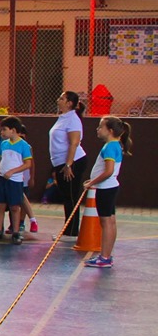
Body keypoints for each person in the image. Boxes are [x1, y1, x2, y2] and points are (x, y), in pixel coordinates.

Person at [83, 117, 132, 268]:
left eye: (100, 127)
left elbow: (109, 171)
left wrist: (92, 182)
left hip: (106, 189)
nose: (97, 129)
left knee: (106, 222)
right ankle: (106, 255)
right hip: (109, 188)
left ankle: (104, 257)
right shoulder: (114, 144)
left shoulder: (110, 146)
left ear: (110, 131)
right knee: (110, 221)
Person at [0, 116, 33, 245]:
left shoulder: (24, 145)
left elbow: (28, 164)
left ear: (13, 130)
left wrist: (12, 172)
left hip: (14, 181)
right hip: (1, 179)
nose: (2, 133)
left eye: (4, 130)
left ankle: (16, 232)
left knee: (14, 207)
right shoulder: (4, 144)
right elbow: (0, 158)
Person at [49, 91, 87, 236]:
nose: (58, 100)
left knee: (71, 197)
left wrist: (68, 164)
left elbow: (74, 142)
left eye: (62, 98)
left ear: (69, 103)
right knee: (66, 196)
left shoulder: (73, 119)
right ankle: (68, 229)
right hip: (60, 163)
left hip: (73, 163)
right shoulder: (63, 118)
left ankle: (71, 232)